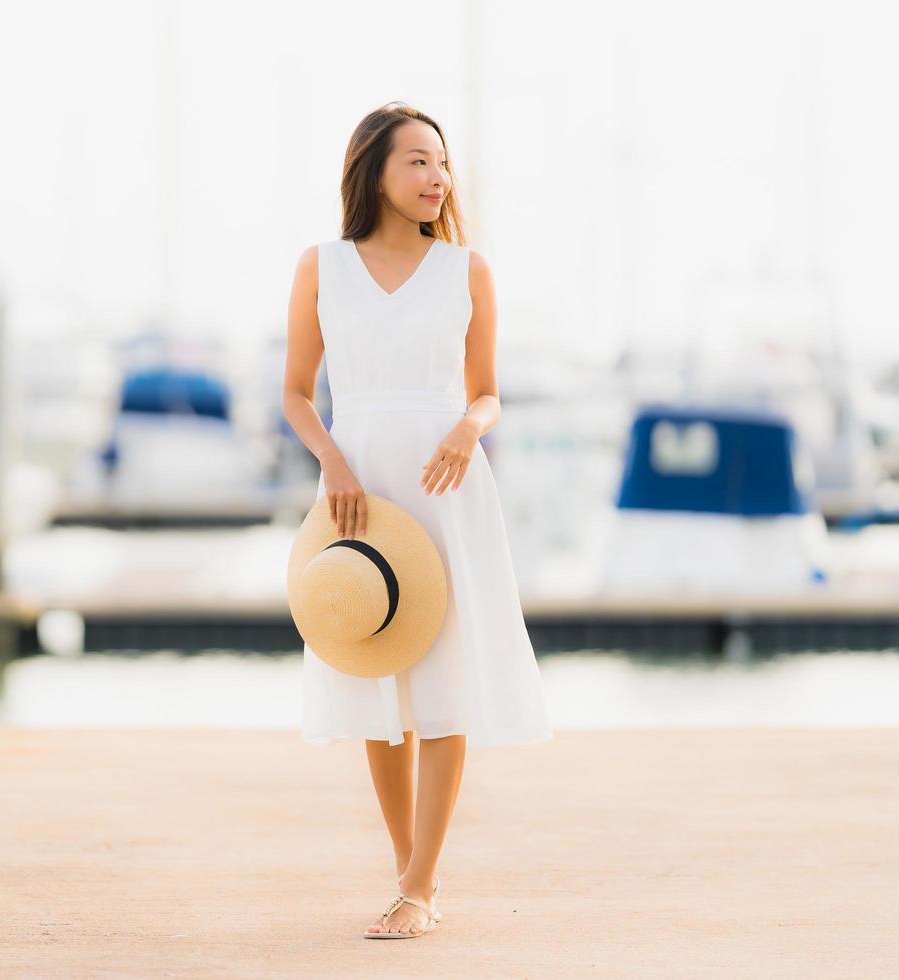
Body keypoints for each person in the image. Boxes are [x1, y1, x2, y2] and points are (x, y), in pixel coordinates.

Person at [281, 101, 553, 938]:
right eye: (417, 162)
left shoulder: (466, 269)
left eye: (442, 164)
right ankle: (409, 874)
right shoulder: (321, 266)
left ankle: (422, 885)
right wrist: (330, 457)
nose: (438, 178)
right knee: (374, 660)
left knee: (444, 681)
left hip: (446, 486)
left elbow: (487, 391)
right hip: (360, 488)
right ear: (374, 170)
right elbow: (295, 392)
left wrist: (471, 428)